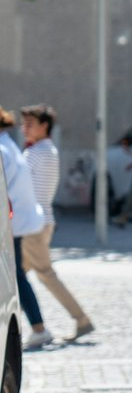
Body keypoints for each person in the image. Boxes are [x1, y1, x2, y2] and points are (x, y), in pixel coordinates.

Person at [19, 104, 94, 341]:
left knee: (42, 274)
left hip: (32, 224)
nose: (24, 128)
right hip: (40, 221)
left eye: (30, 124)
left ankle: (80, 320)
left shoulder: (37, 152)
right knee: (19, 277)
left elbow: (19, 186)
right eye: (24, 124)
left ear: (44, 126)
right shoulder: (46, 150)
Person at [0, 107, 52, 350]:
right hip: (19, 221)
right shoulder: (8, 145)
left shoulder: (3, 150)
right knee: (16, 277)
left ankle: (39, 328)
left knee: (17, 278)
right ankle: (37, 327)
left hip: (12, 223)